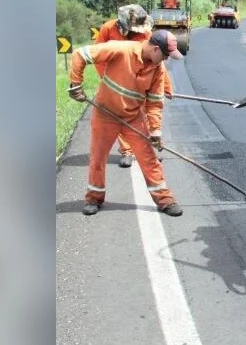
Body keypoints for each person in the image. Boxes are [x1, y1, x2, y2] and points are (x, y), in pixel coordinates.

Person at [68, 31, 185, 217]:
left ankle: (165, 199)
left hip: (133, 118)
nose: (165, 59)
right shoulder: (120, 49)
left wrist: (155, 131)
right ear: (155, 49)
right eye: (165, 55)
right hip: (105, 115)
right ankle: (93, 198)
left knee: (149, 159)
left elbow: (154, 103)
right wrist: (76, 84)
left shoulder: (158, 69)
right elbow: (80, 54)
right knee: (98, 159)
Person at [93, 5, 174, 168]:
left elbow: (156, 61)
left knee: (145, 113)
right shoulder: (108, 29)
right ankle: (127, 151)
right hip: (118, 79)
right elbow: (98, 55)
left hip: (141, 78)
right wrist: (108, 79)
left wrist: (165, 85)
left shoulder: (145, 31)